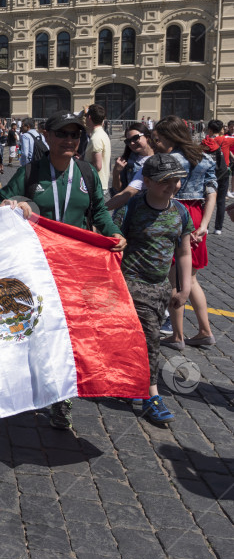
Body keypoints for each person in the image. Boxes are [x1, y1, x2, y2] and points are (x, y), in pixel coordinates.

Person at [0, 111, 126, 431]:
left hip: (74, 268)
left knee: (68, 334)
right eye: (63, 134)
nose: (70, 140)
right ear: (48, 137)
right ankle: (32, 385)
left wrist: (113, 234)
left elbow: (99, 211)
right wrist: (11, 205)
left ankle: (62, 401)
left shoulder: (86, 173)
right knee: (37, 330)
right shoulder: (30, 172)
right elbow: (1, 203)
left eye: (75, 135)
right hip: (36, 266)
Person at [112, 154, 193, 426]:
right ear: (146, 181)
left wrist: (184, 288)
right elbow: (113, 243)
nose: (172, 186)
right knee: (151, 340)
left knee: (140, 339)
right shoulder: (131, 208)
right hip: (132, 283)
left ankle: (129, 382)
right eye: (164, 181)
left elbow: (183, 252)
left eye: (176, 180)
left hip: (161, 288)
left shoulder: (180, 212)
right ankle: (151, 397)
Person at [152, 116, 218, 350]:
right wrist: (204, 225)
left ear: (170, 135)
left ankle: (177, 335)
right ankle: (204, 330)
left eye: (160, 136)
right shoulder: (206, 157)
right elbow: (212, 192)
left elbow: (165, 192)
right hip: (198, 213)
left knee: (174, 278)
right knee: (191, 278)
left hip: (177, 212)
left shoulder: (169, 159)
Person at [106, 122, 154, 210]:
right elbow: (118, 190)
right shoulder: (126, 161)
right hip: (132, 209)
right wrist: (116, 172)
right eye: (128, 141)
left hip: (154, 208)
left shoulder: (161, 158)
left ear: (147, 137)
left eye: (136, 138)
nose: (132, 143)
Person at [201, 119, 234, 235]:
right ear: (220, 129)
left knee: (206, 200)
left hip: (209, 174)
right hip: (223, 173)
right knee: (221, 201)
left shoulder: (204, 142)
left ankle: (206, 226)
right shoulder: (225, 139)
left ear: (209, 129)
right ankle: (218, 228)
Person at [84, 104, 111, 191]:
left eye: (86, 116)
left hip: (96, 185)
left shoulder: (96, 138)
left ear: (89, 118)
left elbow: (97, 165)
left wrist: (81, 163)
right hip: (101, 183)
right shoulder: (102, 134)